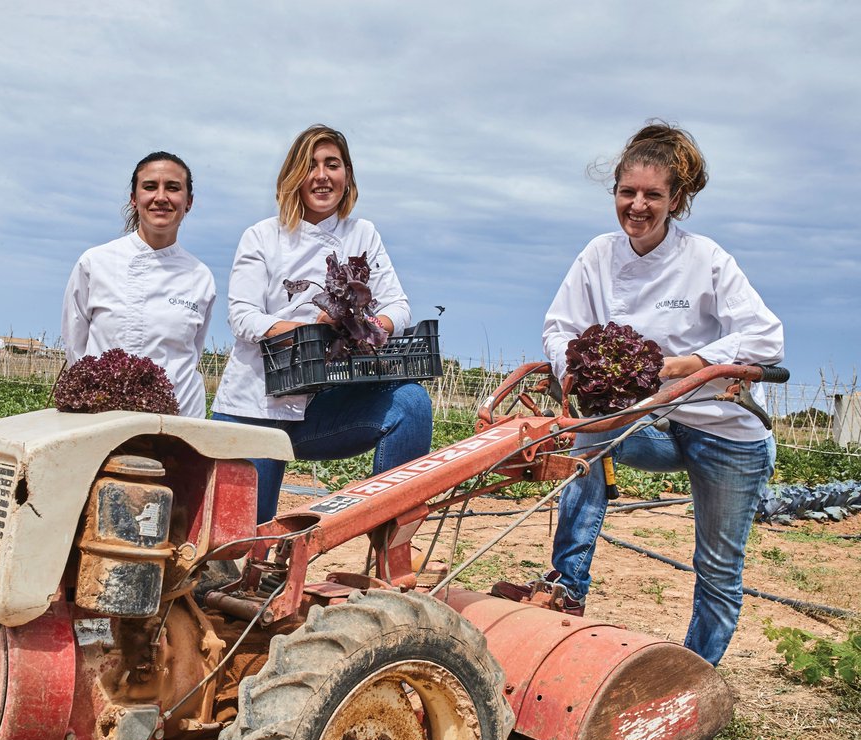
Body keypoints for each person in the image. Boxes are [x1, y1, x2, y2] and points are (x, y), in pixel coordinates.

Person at [492, 121, 783, 667]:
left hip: (724, 430)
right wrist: (572, 367)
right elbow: (559, 327)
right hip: (650, 422)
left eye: (653, 194)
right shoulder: (599, 256)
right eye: (628, 193)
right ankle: (566, 586)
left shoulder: (707, 259)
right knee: (589, 439)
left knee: (718, 567)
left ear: (675, 199)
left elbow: (767, 335)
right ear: (615, 195)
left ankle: (690, 678)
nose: (638, 205)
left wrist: (690, 364)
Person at [210, 124, 433, 523]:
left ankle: (387, 540)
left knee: (411, 403)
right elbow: (243, 317)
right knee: (243, 546)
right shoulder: (263, 236)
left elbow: (399, 306)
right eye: (311, 165)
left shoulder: (363, 234)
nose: (322, 175)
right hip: (256, 407)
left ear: (346, 175)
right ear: (294, 174)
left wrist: (366, 325)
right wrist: (315, 329)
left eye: (333, 164)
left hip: (321, 409)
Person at [62, 152, 214, 418]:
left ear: (188, 202)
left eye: (173, 188)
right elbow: (76, 348)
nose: (161, 197)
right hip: (103, 420)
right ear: (134, 199)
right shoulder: (95, 263)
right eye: (150, 186)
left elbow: (193, 352)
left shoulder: (200, 277)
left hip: (180, 421)